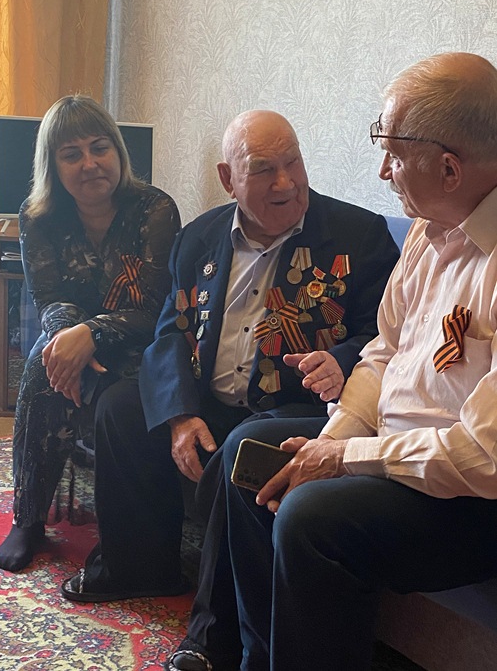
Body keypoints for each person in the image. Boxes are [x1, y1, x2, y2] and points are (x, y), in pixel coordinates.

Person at [165, 52, 497, 671]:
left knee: (309, 515)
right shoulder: (428, 232)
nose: (382, 171)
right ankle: (257, 658)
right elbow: (382, 353)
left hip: (472, 495)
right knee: (252, 459)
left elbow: (483, 456)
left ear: (450, 169)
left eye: (394, 155)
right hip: (398, 451)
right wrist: (335, 437)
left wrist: (343, 457)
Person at [60, 109, 399, 603]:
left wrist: (342, 361)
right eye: (263, 169)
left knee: (247, 444)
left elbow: (387, 335)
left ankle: (212, 626)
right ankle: (136, 569)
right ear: (228, 179)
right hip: (207, 397)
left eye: (293, 162)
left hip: (291, 405)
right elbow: (170, 331)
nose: (286, 182)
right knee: (121, 407)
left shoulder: (359, 235)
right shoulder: (199, 236)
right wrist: (180, 414)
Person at [0, 94, 181, 573]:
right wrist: (67, 344)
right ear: (53, 165)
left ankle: (127, 522)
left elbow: (155, 307)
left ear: (118, 151)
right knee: (43, 364)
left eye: (100, 148)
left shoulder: (156, 208)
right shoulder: (36, 215)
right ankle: (28, 517)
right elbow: (48, 297)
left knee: (102, 377)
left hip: (141, 338)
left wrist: (91, 335)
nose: (90, 164)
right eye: (71, 154)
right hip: (72, 333)